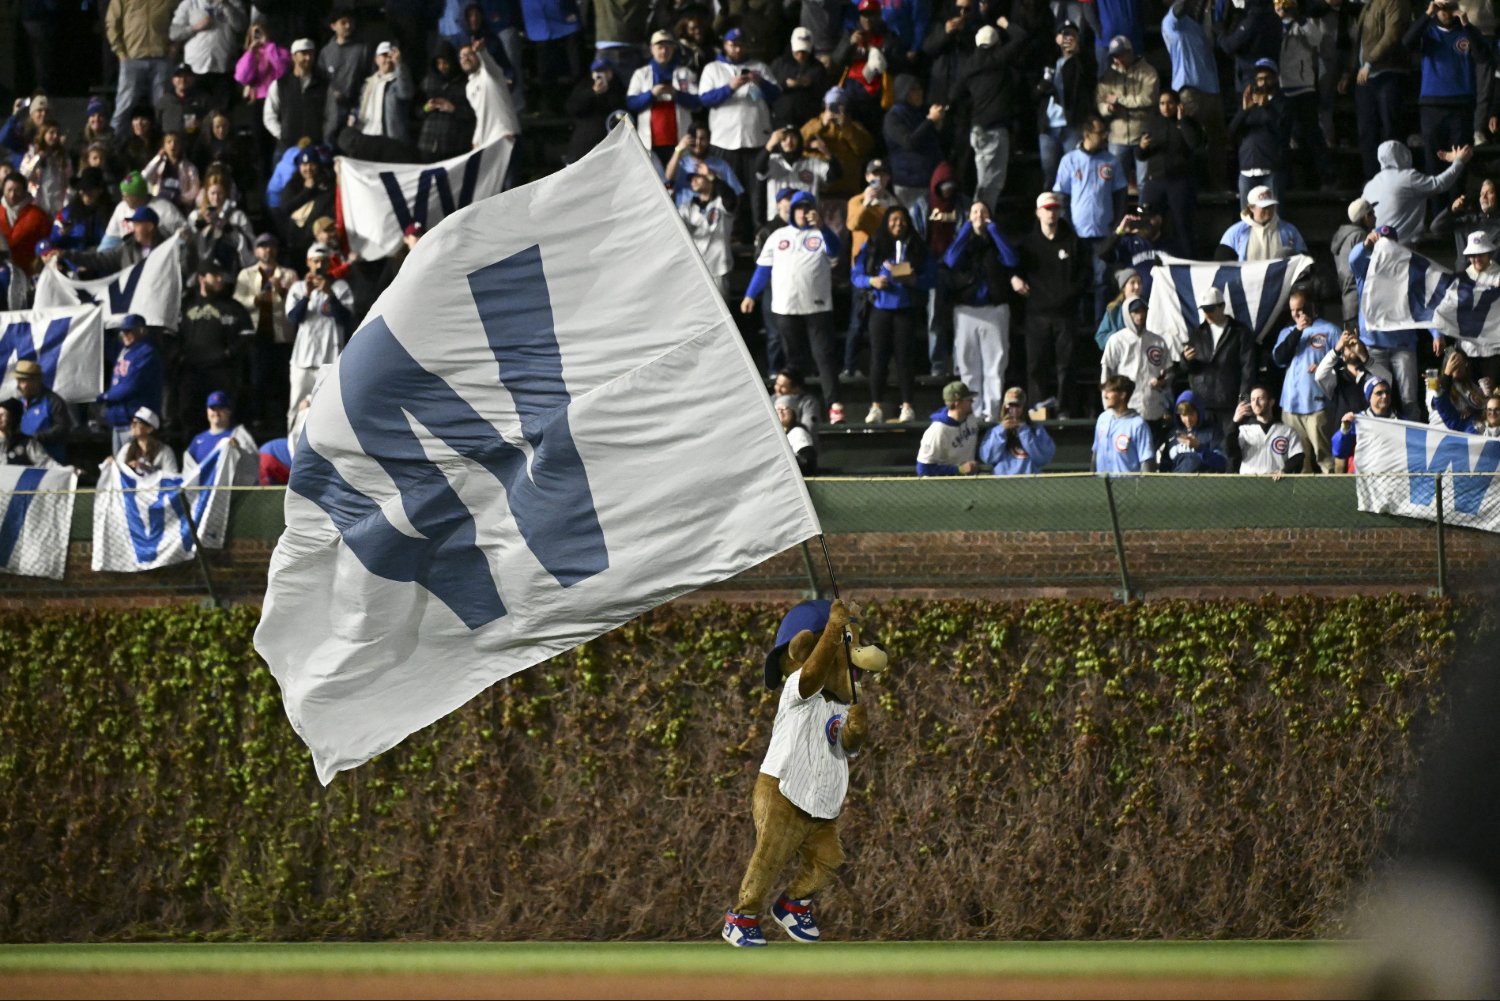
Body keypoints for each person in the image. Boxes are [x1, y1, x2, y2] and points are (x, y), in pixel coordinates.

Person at [741, 191, 844, 421]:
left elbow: (836, 251)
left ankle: (834, 405)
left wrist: (823, 227)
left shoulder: (822, 234)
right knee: (794, 360)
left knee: (824, 357)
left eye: (808, 208)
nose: (804, 213)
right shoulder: (778, 236)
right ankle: (795, 406)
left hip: (817, 307)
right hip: (786, 308)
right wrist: (750, 295)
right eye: (800, 208)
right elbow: (763, 268)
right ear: (793, 211)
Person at [853, 204, 932, 424]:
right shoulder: (873, 246)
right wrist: (872, 281)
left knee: (905, 360)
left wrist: (915, 280)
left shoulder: (917, 247)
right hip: (880, 310)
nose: (898, 224)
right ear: (886, 222)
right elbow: (856, 274)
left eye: (902, 220)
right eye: (893, 220)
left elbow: (932, 277)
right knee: (878, 358)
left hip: (906, 310)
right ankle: (876, 406)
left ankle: (907, 406)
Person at [943, 200, 1020, 423]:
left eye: (983, 211)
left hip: (994, 310)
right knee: (968, 365)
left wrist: (993, 230)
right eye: (975, 212)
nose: (979, 215)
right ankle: (971, 413)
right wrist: (967, 229)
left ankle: (992, 413)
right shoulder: (964, 242)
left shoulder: (996, 240)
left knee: (995, 365)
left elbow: (1011, 259)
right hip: (966, 310)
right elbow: (950, 260)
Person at [698, 27, 779, 235]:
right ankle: (730, 236)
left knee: (757, 193)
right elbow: (705, 99)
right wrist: (730, 87)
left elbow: (776, 94)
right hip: (725, 141)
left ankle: (757, 235)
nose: (737, 49)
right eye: (733, 45)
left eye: (740, 44)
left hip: (756, 140)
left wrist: (760, 81)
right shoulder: (713, 69)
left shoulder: (759, 66)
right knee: (729, 191)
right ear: (725, 45)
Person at [1016, 191, 1089, 417]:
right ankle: (1038, 408)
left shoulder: (1073, 241)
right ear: (1038, 212)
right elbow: (1014, 269)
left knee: (1066, 366)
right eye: (1047, 209)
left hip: (1065, 315)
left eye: (1055, 209)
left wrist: (1070, 297)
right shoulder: (1027, 244)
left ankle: (1064, 409)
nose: (1051, 213)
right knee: (1036, 365)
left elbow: (1085, 275)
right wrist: (1014, 277)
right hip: (1037, 314)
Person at [1054, 114, 1126, 326]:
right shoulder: (1070, 160)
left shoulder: (1111, 161)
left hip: (1104, 232)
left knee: (1103, 280)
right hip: (1077, 232)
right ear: (1087, 134)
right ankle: (1078, 320)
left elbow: (1120, 194)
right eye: (1100, 133)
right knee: (1078, 277)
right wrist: (1066, 226)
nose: (1104, 136)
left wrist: (1117, 225)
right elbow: (1062, 195)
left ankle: (1099, 323)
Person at [1349, 226, 1426, 419]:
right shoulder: (1365, 268)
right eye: (1380, 243)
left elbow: (1421, 302)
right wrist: (1365, 244)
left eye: (1389, 243)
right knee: (1377, 398)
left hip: (1403, 345)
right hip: (1374, 345)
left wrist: (1436, 334)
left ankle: (1412, 443)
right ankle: (1381, 442)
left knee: (1410, 400)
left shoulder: (1405, 268)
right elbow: (1353, 260)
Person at [177, 262, 254, 434]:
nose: (221, 279)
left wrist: (228, 353)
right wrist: (180, 356)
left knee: (223, 418)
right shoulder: (185, 305)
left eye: (221, 275)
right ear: (202, 278)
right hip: (192, 373)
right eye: (215, 275)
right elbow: (173, 335)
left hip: (222, 373)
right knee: (190, 418)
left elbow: (247, 336)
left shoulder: (233, 307)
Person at [960, 18, 1028, 211]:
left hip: (976, 128)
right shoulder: (999, 58)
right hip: (994, 130)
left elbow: (956, 93)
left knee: (983, 179)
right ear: (996, 44)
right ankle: (978, 224)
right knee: (991, 183)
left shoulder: (969, 66)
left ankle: (978, 220)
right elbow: (1021, 36)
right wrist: (1006, 23)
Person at [1270, 289, 1337, 472]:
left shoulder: (1329, 330)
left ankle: (1334, 497)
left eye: (1300, 309)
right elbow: (1278, 358)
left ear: (1311, 306)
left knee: (1325, 457)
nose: (1296, 314)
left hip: (1318, 406)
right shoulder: (1288, 332)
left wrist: (1325, 369)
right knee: (1298, 460)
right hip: (1291, 406)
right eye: (1293, 310)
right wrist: (1298, 331)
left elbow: (1344, 363)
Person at [286, 246, 354, 424]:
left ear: (329, 263)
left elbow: (346, 319)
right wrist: (307, 295)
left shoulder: (340, 287)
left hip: (329, 361)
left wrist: (330, 294)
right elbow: (293, 318)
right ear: (308, 262)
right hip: (303, 361)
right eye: (315, 261)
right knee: (296, 408)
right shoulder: (298, 287)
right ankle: (293, 448)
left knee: (330, 410)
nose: (319, 265)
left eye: (323, 261)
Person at [1362, 139, 1471, 243]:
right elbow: (1439, 184)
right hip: (1402, 245)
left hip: (1376, 245)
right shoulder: (1407, 177)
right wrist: (1459, 162)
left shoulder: (1370, 184)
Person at [1182, 286, 1256, 429]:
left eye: (1211, 309)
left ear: (1222, 306)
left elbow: (1248, 370)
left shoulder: (1240, 332)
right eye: (1204, 310)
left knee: (1229, 446)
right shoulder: (1197, 333)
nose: (1207, 314)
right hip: (1202, 403)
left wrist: (1244, 401)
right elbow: (1186, 369)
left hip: (1230, 403)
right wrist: (1186, 359)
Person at [1035, 21, 1097, 190]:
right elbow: (1035, 92)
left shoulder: (1083, 60)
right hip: (1048, 128)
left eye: (1073, 35)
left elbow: (1090, 77)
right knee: (1050, 176)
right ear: (1057, 38)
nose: (1068, 39)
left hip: (1072, 126)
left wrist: (1077, 54)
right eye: (1064, 34)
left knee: (1075, 173)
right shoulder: (1048, 60)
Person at [627, 30, 703, 164]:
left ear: (674, 48)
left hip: (679, 141)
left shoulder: (685, 73)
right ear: (652, 49)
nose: (664, 51)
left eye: (668, 47)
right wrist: (652, 94)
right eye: (660, 47)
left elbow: (698, 103)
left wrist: (676, 94)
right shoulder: (641, 74)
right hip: (650, 142)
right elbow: (631, 103)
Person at [1095, 35, 1158, 193]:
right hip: (1117, 137)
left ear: (1130, 52)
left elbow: (1147, 99)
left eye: (1121, 54)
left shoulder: (1148, 72)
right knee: (1116, 183)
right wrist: (1108, 109)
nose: (1118, 59)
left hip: (1143, 135)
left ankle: (1145, 215)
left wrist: (1120, 100)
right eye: (1115, 56)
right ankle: (1119, 217)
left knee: (1145, 183)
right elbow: (1100, 102)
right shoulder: (1108, 76)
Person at [1100, 296, 1172, 426]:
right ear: (1127, 314)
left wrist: (1163, 382)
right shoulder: (1117, 340)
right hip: (1126, 409)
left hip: (1153, 408)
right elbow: (1106, 374)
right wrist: (1108, 405)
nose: (1140, 315)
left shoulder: (1157, 341)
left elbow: (1168, 371)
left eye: (1143, 311)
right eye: (1135, 312)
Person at [97, 315, 164, 455]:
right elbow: (103, 345)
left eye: (129, 331)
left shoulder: (147, 352)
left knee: (135, 467)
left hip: (136, 422)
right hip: (119, 421)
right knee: (119, 468)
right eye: (123, 332)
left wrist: (106, 396)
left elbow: (131, 386)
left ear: (141, 331)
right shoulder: (125, 350)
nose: (125, 335)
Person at [107, 0, 176, 135]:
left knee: (161, 107)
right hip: (132, 58)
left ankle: (162, 146)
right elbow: (112, 23)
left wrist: (175, 46)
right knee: (124, 105)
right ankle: (113, 146)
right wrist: (120, 52)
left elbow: (180, 19)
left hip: (161, 58)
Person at [883, 74, 943, 213]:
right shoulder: (893, 117)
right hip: (909, 182)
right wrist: (930, 121)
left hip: (930, 180)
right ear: (904, 92)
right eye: (913, 90)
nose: (919, 93)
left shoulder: (921, 112)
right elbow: (909, 142)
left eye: (920, 89)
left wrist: (938, 125)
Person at [264, 39, 334, 157]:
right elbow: (269, 115)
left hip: (315, 147)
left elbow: (332, 115)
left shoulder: (324, 86)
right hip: (286, 148)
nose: (308, 58)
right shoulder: (280, 84)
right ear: (294, 56)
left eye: (311, 53)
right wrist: (283, 134)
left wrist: (321, 134)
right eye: (304, 54)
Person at [677, 163, 737, 294]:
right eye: (692, 178)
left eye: (698, 177)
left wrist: (712, 176)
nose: (694, 180)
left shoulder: (723, 202)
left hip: (718, 269)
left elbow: (730, 197)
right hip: (694, 270)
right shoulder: (686, 207)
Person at [1227, 386, 1304, 476]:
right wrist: (1234, 423)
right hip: (1248, 481)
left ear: (1271, 402)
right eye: (1252, 399)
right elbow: (1230, 451)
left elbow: (1298, 455)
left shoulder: (1287, 431)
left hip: (1277, 483)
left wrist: (1285, 470)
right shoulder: (1243, 430)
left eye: (1260, 399)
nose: (1256, 403)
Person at [979, 387, 1057, 475]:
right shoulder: (995, 431)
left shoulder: (1036, 429)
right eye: (1010, 405)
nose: (1014, 410)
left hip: (1030, 481)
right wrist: (1002, 430)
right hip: (1003, 482)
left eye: (1017, 406)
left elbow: (1044, 458)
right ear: (1004, 407)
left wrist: (1023, 430)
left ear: (1024, 407)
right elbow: (988, 458)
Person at [1217, 185, 1308, 261]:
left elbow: (1304, 259)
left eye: (1271, 206)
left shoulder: (1289, 231)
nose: (1268, 210)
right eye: (1264, 207)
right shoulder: (1235, 232)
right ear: (1251, 208)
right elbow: (1222, 261)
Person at [185, 390, 258, 482]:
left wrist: (238, 449)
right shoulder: (197, 440)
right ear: (207, 411)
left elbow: (252, 466)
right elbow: (189, 474)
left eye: (220, 408)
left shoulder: (239, 435)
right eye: (213, 408)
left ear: (229, 411)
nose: (216, 413)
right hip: (203, 492)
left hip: (231, 492)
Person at [10, 358, 73, 464]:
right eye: (18, 381)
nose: (19, 386)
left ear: (35, 381)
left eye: (23, 381)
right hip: (24, 459)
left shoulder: (53, 401)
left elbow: (63, 428)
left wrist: (37, 437)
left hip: (49, 460)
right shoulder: (19, 402)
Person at [565, 59, 627, 164]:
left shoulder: (619, 87)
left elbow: (622, 110)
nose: (600, 75)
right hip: (586, 143)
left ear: (611, 73)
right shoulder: (584, 86)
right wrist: (593, 93)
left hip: (611, 144)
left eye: (604, 72)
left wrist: (608, 93)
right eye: (597, 72)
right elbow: (572, 108)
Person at [1330, 377, 1398, 472]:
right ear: (1369, 397)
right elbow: (1339, 451)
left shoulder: (1400, 421)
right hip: (1365, 476)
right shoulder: (1358, 421)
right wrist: (1345, 429)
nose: (1384, 396)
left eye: (1387, 392)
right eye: (1379, 393)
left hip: (1394, 475)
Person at [1092, 374, 1156, 472]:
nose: (1105, 396)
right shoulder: (1102, 419)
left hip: (1127, 485)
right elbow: (1095, 454)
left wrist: (1144, 486)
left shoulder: (1138, 425)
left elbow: (1146, 461)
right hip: (1102, 484)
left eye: (1109, 392)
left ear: (1122, 395)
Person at [915, 380, 980, 475]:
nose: (972, 401)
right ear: (957, 403)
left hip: (966, 481)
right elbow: (923, 469)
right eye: (968, 400)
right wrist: (959, 469)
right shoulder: (937, 431)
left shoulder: (970, 417)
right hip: (944, 485)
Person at [1156, 390, 1229, 472]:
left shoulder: (1213, 432)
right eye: (1184, 415)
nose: (1187, 419)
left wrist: (1199, 448)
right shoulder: (1172, 435)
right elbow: (1165, 466)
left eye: (1191, 414)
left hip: (1204, 483)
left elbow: (1222, 463)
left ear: (1199, 411)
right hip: (1176, 482)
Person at [1333, 199, 1376, 326]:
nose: (1375, 217)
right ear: (1365, 217)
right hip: (1360, 304)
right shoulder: (1361, 236)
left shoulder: (1344, 235)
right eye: (1372, 213)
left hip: (1348, 304)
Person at [0, 171, 51, 272]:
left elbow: (47, 241)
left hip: (28, 271)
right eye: (9, 190)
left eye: (17, 190)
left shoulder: (38, 216)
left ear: (24, 191)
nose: (12, 194)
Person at [113, 406, 179, 476]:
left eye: (137, 422)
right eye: (132, 422)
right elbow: (117, 474)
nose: (132, 425)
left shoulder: (164, 451)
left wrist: (147, 469)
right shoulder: (126, 448)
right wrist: (113, 465)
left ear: (149, 429)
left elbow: (172, 477)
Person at [0, 398, 61, 468]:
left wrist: (66, 470)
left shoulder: (26, 443)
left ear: (13, 418)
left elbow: (46, 463)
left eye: (3, 415)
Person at [1095, 267, 1142, 350]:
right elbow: (1101, 338)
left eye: (1139, 282)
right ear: (1123, 288)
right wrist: (1119, 337)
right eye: (1132, 283)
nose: (1137, 286)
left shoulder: (1148, 307)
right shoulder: (1113, 310)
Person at [772, 395, 818, 474]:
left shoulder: (798, 432)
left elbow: (807, 461)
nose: (779, 412)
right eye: (777, 409)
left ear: (793, 413)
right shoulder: (773, 434)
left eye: (784, 409)